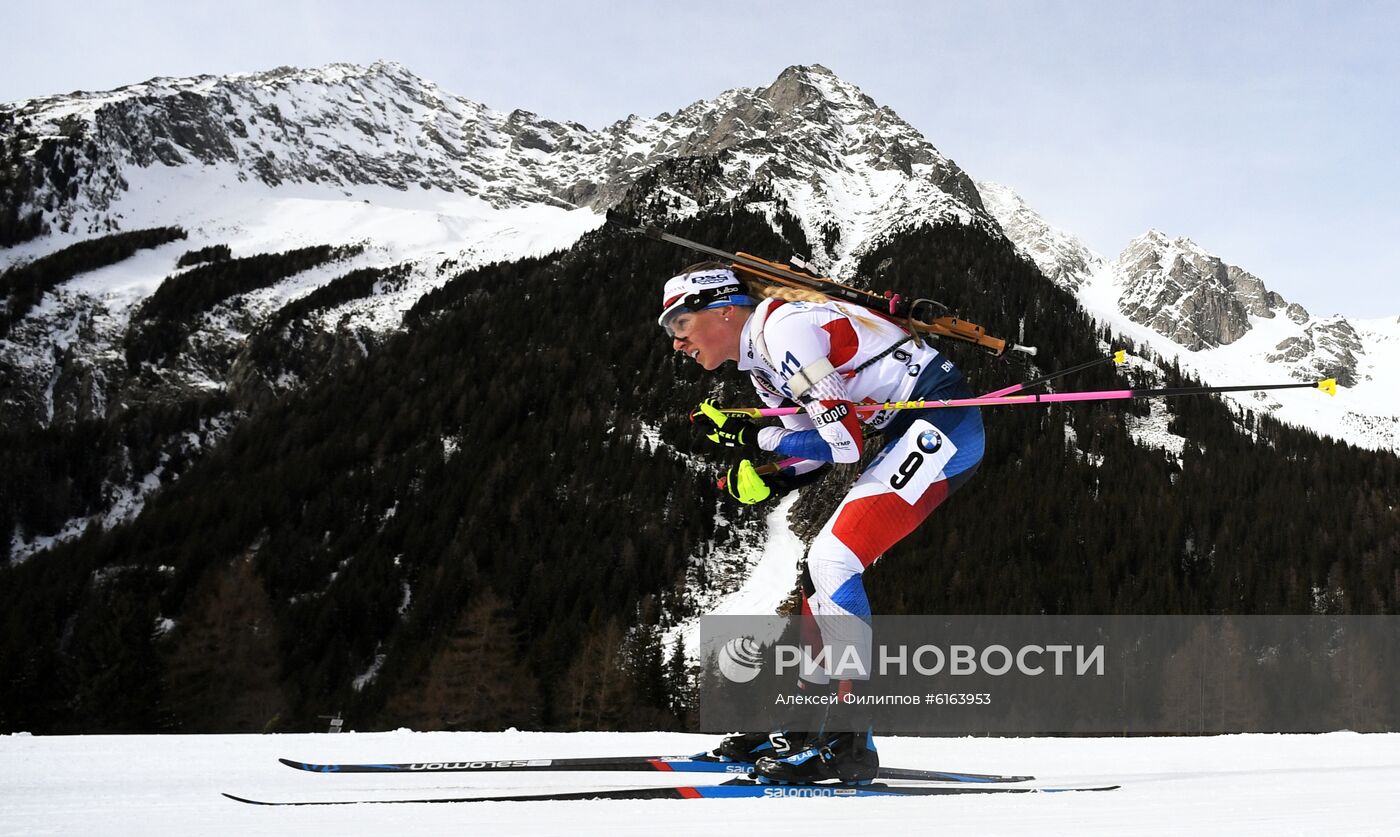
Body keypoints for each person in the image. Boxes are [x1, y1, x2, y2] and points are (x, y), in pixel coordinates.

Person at [659, 261, 985, 785]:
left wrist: (754, 440)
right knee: (818, 572)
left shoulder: (784, 332)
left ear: (721, 309)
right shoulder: (762, 368)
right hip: (911, 428)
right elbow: (818, 453)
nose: (676, 342)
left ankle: (851, 741)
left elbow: (846, 443)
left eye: (679, 324)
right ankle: (808, 727)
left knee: (834, 559)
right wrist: (774, 474)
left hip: (943, 428)